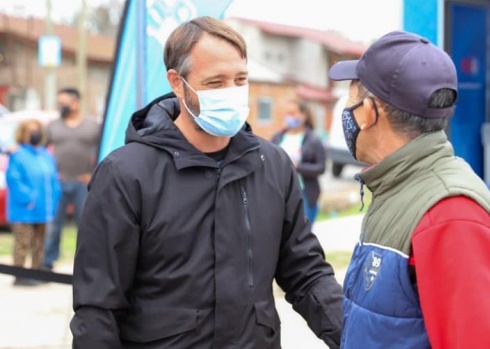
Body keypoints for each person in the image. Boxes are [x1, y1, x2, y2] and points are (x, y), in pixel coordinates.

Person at [70, 17, 342, 348]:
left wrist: (357, 337)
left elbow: (306, 272)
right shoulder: (125, 174)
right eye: (215, 82)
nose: (232, 92)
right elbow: (98, 307)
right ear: (177, 82)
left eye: (240, 79)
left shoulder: (271, 165)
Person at [328, 30, 490, 348]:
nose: (346, 109)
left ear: (368, 112)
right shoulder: (401, 187)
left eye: (351, 96)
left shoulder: (449, 214)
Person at [43, 87, 100, 270]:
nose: (61, 106)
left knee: (85, 226)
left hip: (82, 184)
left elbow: (103, 151)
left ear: (75, 103)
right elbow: (41, 151)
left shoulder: (92, 126)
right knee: (53, 226)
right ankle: (48, 261)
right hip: (57, 183)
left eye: (64, 103)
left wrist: (92, 173)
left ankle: (87, 264)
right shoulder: (53, 126)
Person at [6, 119, 61, 286]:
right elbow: (14, 180)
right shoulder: (18, 155)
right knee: (23, 242)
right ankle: (20, 275)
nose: (35, 133)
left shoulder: (46, 155)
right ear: (23, 133)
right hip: (24, 209)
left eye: (37, 130)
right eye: (30, 131)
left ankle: (36, 272)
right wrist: (28, 198)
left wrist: (55, 196)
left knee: (39, 242)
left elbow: (53, 179)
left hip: (44, 208)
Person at [271, 99, 326, 225]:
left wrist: (298, 167)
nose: (290, 116)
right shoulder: (278, 137)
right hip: (280, 193)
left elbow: (321, 168)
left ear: (304, 115)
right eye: (287, 113)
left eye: (293, 113)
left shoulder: (313, 140)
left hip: (304, 194)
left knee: (302, 233)